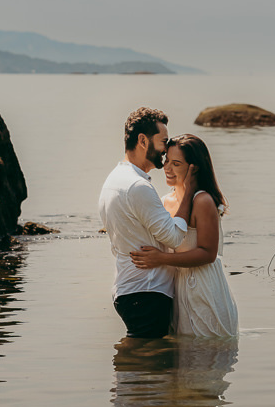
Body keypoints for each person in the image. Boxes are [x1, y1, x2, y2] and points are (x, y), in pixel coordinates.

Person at [98, 107, 195, 338]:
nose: (165, 149)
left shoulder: (113, 180)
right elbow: (174, 236)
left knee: (140, 366)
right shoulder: (137, 186)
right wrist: (189, 192)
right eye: (163, 141)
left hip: (129, 288)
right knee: (147, 366)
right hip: (147, 292)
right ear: (143, 140)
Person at [130, 134, 239, 337]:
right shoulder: (164, 201)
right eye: (167, 161)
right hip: (178, 290)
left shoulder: (203, 201)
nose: (167, 169)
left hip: (204, 288)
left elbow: (208, 253)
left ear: (193, 167)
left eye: (176, 163)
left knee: (207, 360)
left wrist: (160, 259)